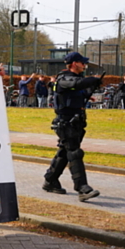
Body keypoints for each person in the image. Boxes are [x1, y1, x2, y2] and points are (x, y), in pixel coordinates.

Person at [43, 51, 102, 202]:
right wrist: (92, 80)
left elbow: (76, 91)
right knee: (74, 153)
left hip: (76, 122)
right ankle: (82, 188)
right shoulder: (64, 78)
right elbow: (75, 84)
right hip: (66, 122)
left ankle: (50, 180)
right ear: (74, 64)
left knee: (65, 152)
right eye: (82, 63)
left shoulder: (76, 78)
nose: (84, 65)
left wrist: (87, 94)